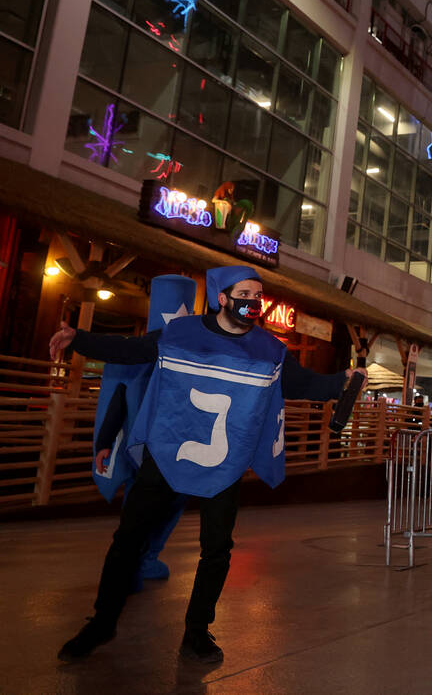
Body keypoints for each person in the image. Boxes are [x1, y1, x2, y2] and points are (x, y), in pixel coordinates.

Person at [55, 265, 363, 664]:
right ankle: (101, 622)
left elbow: (302, 384)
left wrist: (343, 379)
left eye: (258, 295)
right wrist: (78, 338)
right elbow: (131, 350)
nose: (254, 301)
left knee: (216, 550)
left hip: (225, 462)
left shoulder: (270, 351)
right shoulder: (180, 334)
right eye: (245, 294)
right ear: (222, 297)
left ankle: (197, 633)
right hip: (167, 454)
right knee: (127, 540)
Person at [92, 274, 197, 589]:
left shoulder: (185, 357)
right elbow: (120, 399)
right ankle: (134, 564)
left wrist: (105, 441)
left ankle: (144, 559)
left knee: (162, 502)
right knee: (145, 504)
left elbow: (118, 400)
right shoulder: (142, 352)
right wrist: (105, 442)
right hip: (154, 450)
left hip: (170, 452)